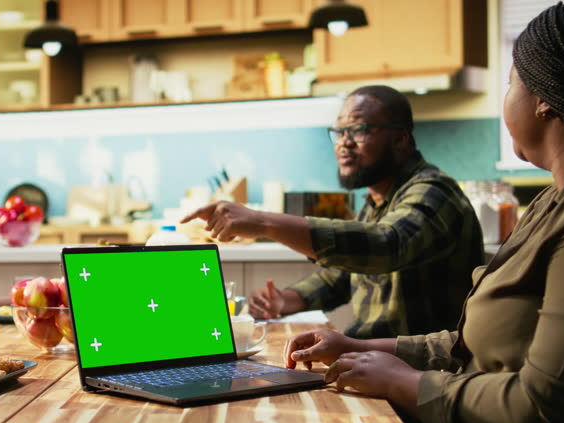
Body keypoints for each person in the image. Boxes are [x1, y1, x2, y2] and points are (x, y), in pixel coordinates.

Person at [284, 1, 564, 423]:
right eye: (341, 131)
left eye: (511, 81)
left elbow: (544, 410)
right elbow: (472, 347)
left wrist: (408, 383)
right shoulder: (552, 201)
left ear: (544, 98)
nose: (345, 141)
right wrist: (362, 347)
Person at [182, 85, 483, 339]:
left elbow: (387, 245)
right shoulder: (379, 201)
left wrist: (263, 222)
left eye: (359, 130)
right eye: (339, 132)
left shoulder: (434, 191)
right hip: (372, 358)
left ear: (401, 139)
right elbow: (342, 276)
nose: (344, 143)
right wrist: (287, 299)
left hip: (421, 373)